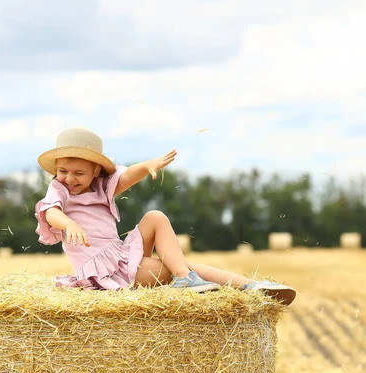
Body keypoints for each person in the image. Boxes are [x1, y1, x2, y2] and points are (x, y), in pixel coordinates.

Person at [35, 126, 296, 305]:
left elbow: (125, 177)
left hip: (121, 255)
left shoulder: (102, 187)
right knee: (178, 268)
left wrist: (146, 165)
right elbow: (50, 212)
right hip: (104, 272)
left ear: (95, 172)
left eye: (78, 173)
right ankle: (244, 285)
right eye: (63, 171)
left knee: (155, 216)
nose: (69, 178)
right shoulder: (59, 189)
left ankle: (203, 280)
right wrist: (68, 223)